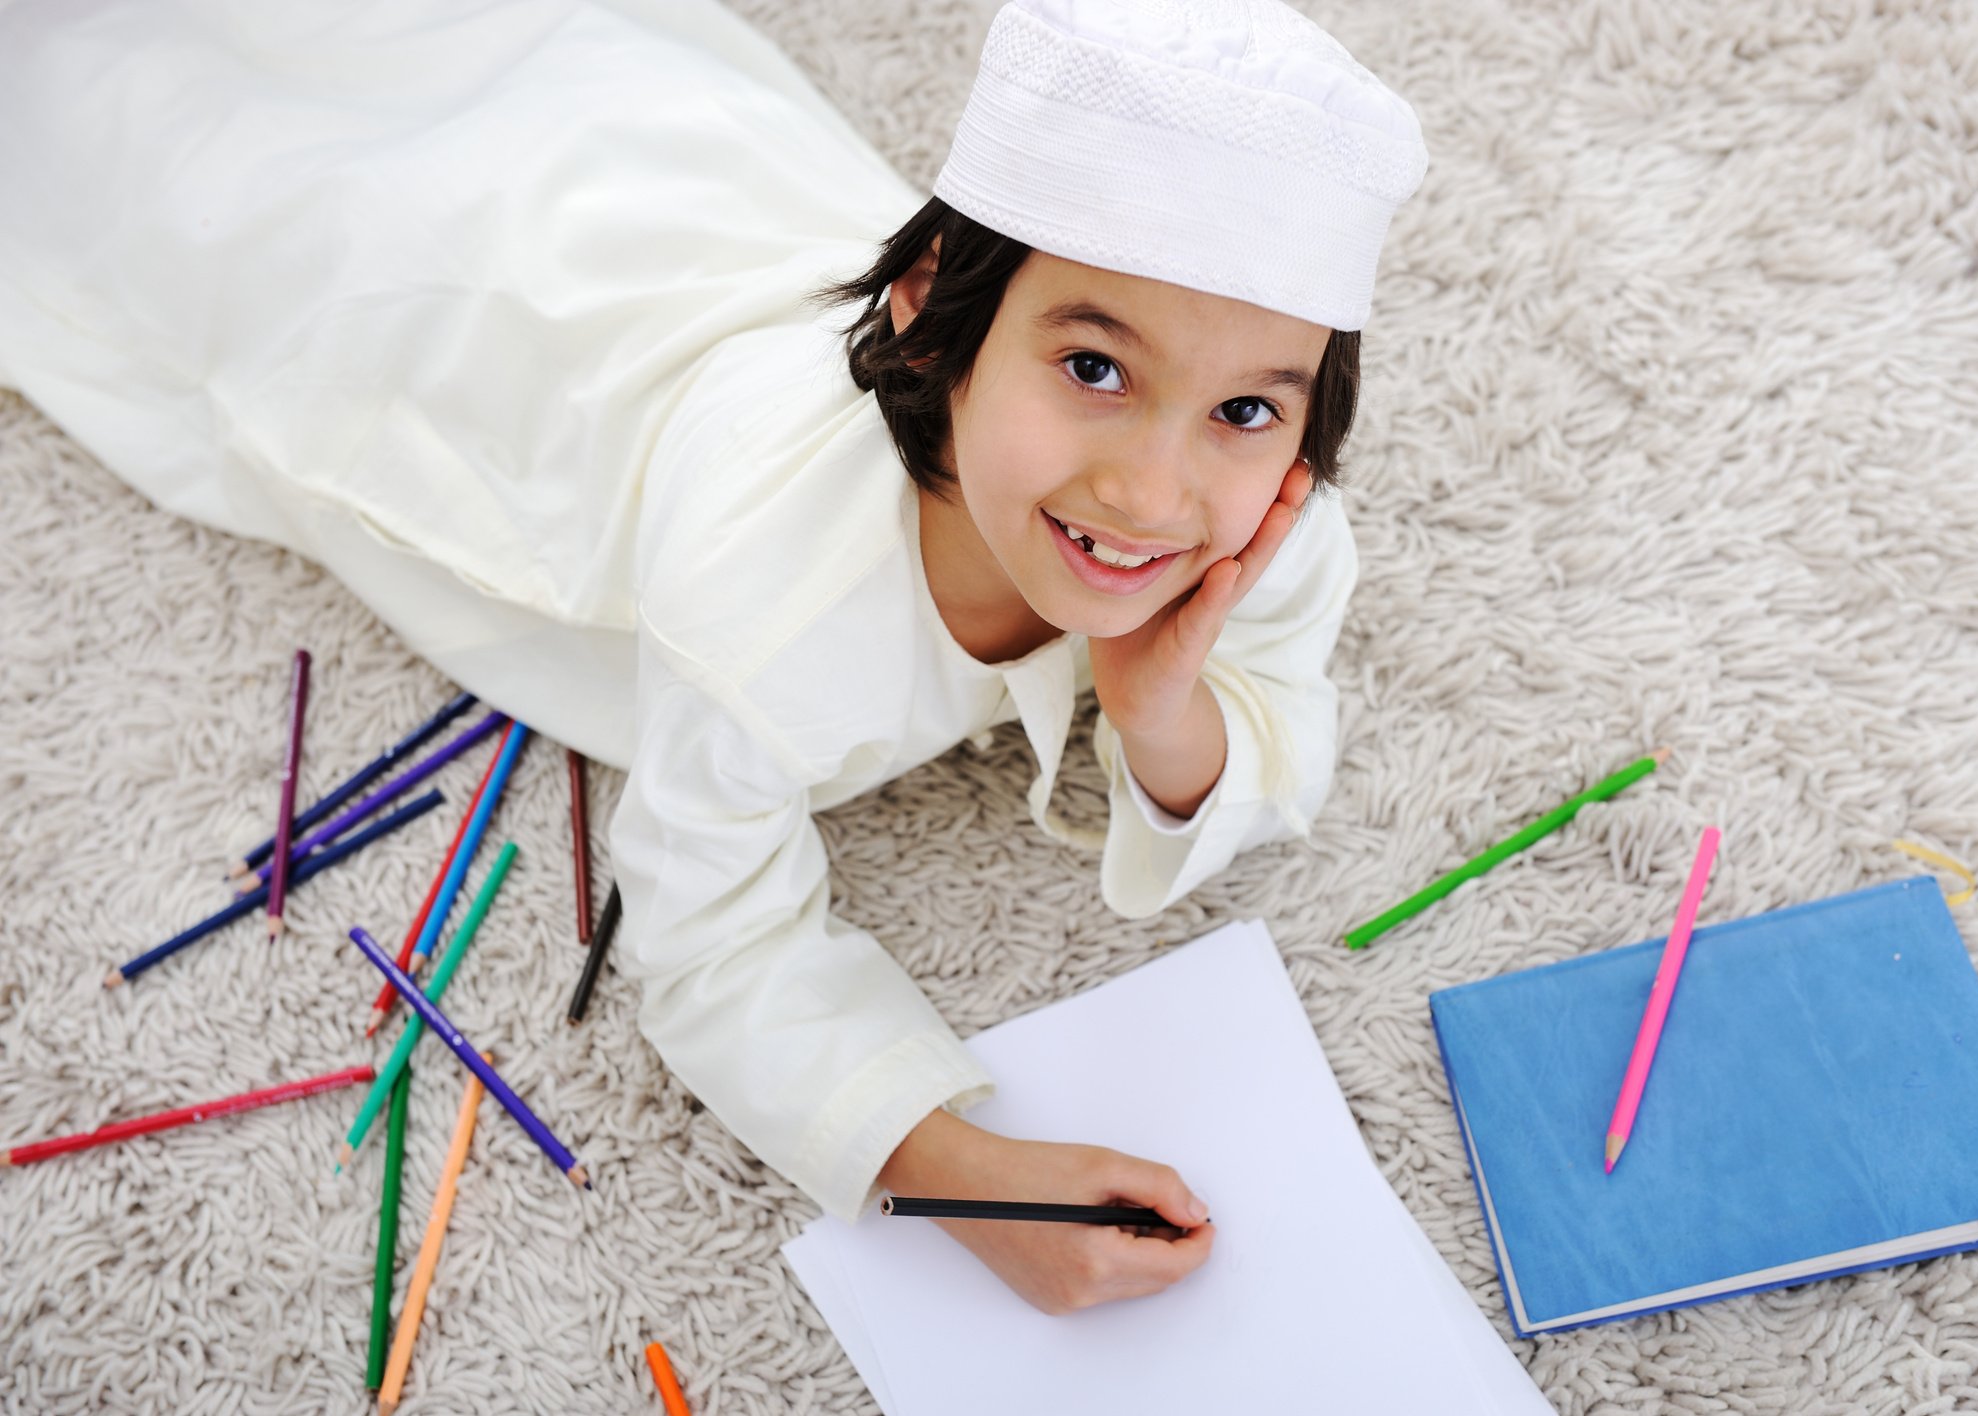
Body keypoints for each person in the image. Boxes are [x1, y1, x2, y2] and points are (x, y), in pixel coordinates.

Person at [0, 0, 1425, 1313]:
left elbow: (1275, 717)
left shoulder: (1268, 531)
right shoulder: (769, 610)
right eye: (1095, 370)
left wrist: (1160, 708)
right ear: (934, 305)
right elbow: (710, 933)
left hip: (705, 212)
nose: (1152, 493)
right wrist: (953, 1179)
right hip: (510, 316)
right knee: (187, 150)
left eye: (1244, 407)